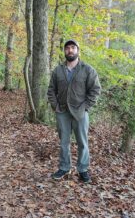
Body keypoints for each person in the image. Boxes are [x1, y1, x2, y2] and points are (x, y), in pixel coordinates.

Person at [47, 39, 101, 183]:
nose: (70, 50)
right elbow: (51, 90)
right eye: (67, 48)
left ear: (78, 50)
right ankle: (64, 167)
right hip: (62, 112)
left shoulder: (87, 70)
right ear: (64, 51)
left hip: (80, 113)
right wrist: (55, 106)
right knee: (64, 142)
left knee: (82, 142)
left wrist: (85, 107)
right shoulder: (58, 70)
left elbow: (95, 90)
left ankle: (82, 169)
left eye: (73, 48)